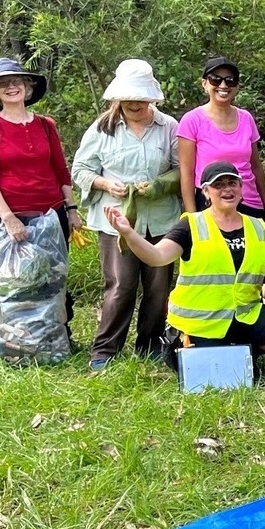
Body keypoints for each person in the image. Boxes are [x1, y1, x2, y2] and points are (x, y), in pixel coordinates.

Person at [108, 162, 265, 356]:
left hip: (243, 315)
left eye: (232, 183)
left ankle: (239, 351)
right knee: (203, 362)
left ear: (241, 189)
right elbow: (157, 257)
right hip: (200, 322)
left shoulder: (258, 226)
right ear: (206, 192)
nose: (227, 189)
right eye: (218, 185)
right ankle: (229, 351)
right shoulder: (191, 225)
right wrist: (129, 233)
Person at [71, 59, 181, 370]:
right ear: (119, 97)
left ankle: (150, 346)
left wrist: (158, 185)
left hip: (161, 218)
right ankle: (105, 351)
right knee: (120, 285)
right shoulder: (102, 128)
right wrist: (105, 182)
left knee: (159, 288)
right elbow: (80, 169)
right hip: (115, 218)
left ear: (152, 98)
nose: (135, 104)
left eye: (141, 98)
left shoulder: (169, 126)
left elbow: (181, 168)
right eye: (130, 98)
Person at [0, 57, 83, 330]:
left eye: (17, 81)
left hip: (49, 215)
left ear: (27, 87)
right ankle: (4, 339)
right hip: (1, 219)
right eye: (4, 83)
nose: (12, 87)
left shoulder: (46, 125)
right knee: (4, 279)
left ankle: (54, 335)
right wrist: (9, 219)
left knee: (51, 277)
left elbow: (60, 170)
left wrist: (71, 209)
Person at [178, 57, 265, 218]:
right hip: (210, 204)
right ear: (205, 83)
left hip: (250, 202)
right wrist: (192, 217)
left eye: (230, 81)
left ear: (237, 86)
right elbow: (186, 172)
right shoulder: (192, 120)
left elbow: (256, 167)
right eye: (215, 80)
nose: (223, 85)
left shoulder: (246, 118)